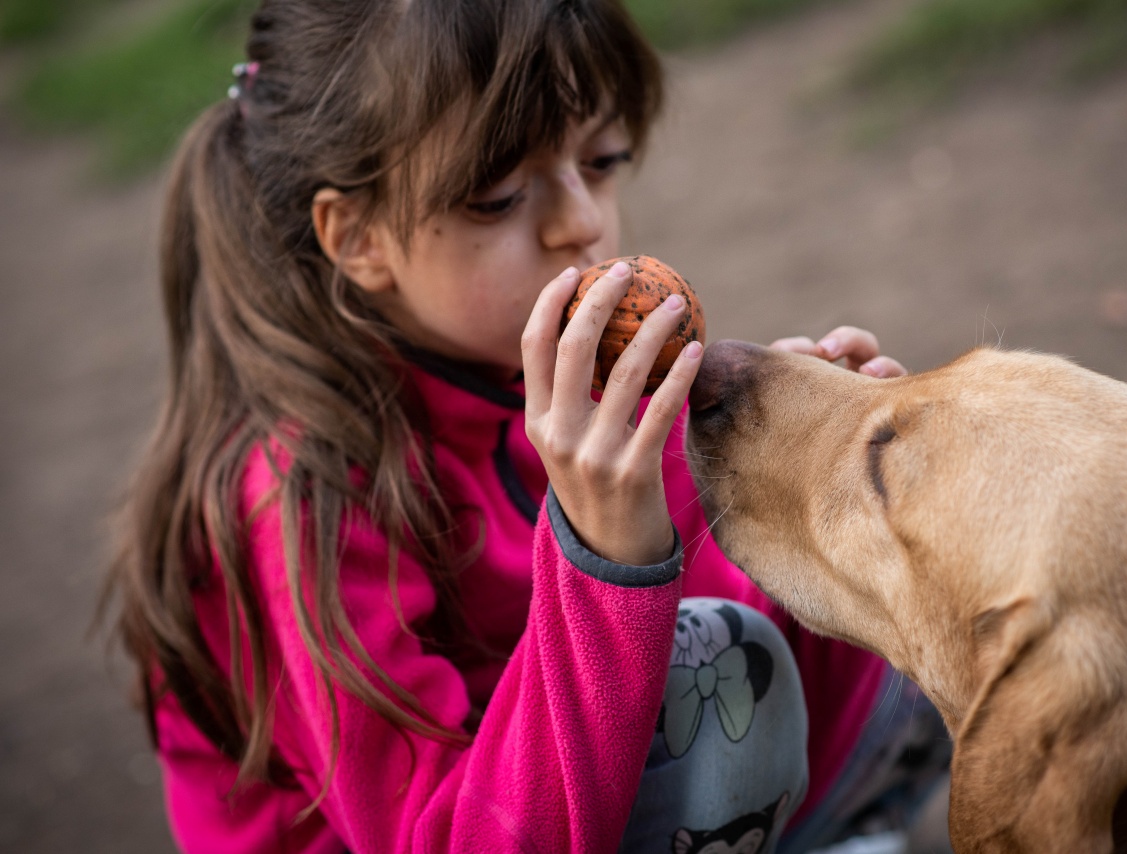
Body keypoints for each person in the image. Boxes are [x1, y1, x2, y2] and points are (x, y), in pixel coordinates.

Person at [103, 1, 950, 851]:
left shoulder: (541, 388)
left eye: (603, 159)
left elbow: (710, 611)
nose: (579, 221)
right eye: (499, 195)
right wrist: (609, 563)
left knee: (930, 557)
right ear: (356, 237)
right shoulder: (297, 505)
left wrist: (781, 478)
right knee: (718, 665)